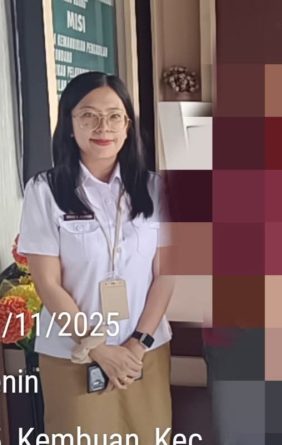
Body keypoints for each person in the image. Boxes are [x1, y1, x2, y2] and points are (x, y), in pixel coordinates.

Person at [17, 72, 173, 439]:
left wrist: (137, 344)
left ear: (127, 125)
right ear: (69, 125)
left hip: (143, 354)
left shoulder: (155, 188)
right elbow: (47, 283)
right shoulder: (45, 190)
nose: (103, 127)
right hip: (73, 355)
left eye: (114, 116)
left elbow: (167, 274)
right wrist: (97, 347)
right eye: (88, 115)